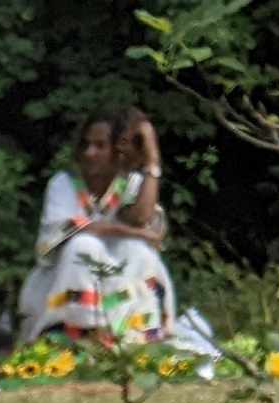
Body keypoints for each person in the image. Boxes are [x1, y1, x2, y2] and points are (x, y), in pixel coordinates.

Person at [18, 106, 173, 347]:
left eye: (100, 146)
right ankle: (74, 336)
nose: (90, 153)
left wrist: (152, 161)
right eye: (87, 145)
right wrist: (129, 231)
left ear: (119, 151)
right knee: (83, 245)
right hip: (63, 285)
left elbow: (142, 218)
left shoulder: (131, 184)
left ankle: (132, 337)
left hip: (116, 284)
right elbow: (76, 230)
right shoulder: (64, 184)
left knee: (139, 252)